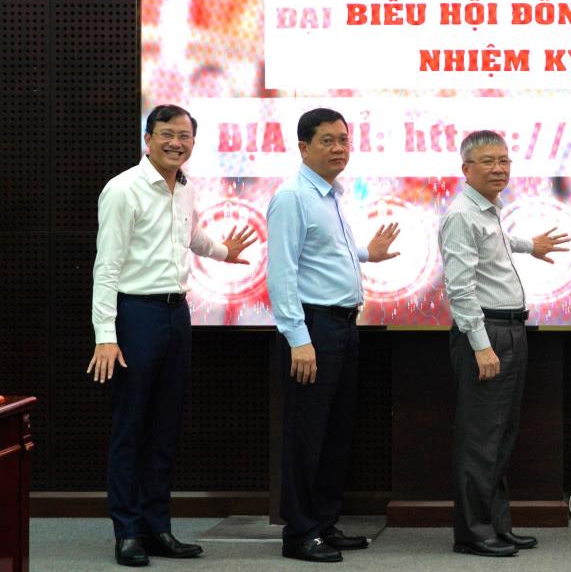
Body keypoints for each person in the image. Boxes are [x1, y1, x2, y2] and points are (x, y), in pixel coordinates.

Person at [89, 104, 257, 567]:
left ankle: (157, 527)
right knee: (131, 426)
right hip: (135, 315)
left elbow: (189, 236)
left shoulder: (184, 187)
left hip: (176, 314)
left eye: (184, 136)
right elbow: (106, 267)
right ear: (148, 139)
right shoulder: (123, 189)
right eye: (167, 134)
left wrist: (222, 251)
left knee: (165, 426)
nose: (176, 143)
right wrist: (106, 335)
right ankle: (127, 532)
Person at [266, 108, 401, 563]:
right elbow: (282, 272)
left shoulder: (333, 195)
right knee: (307, 434)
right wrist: (298, 338)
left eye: (343, 139)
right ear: (303, 147)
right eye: (328, 140)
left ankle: (324, 523)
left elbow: (325, 253)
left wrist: (367, 254)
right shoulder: (292, 197)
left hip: (342, 325)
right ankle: (299, 533)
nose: (339, 148)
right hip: (313, 327)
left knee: (335, 432)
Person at [440, 130, 569, 557]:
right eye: (488, 162)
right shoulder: (462, 214)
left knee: (501, 435)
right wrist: (481, 346)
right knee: (481, 439)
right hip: (488, 333)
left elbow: (495, 245)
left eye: (504, 161)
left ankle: (496, 525)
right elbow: (460, 289)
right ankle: (472, 534)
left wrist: (530, 245)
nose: (499, 169)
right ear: (466, 169)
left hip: (509, 329)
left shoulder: (487, 210)